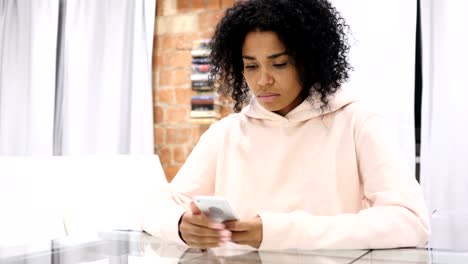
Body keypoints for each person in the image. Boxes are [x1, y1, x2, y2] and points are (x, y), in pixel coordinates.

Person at [143, 0, 430, 250]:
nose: (263, 80)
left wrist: (275, 232)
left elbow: (410, 222)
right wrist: (180, 224)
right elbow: (156, 208)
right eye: (251, 66)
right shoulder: (226, 133)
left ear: (309, 60)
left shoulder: (357, 122)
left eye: (278, 64)